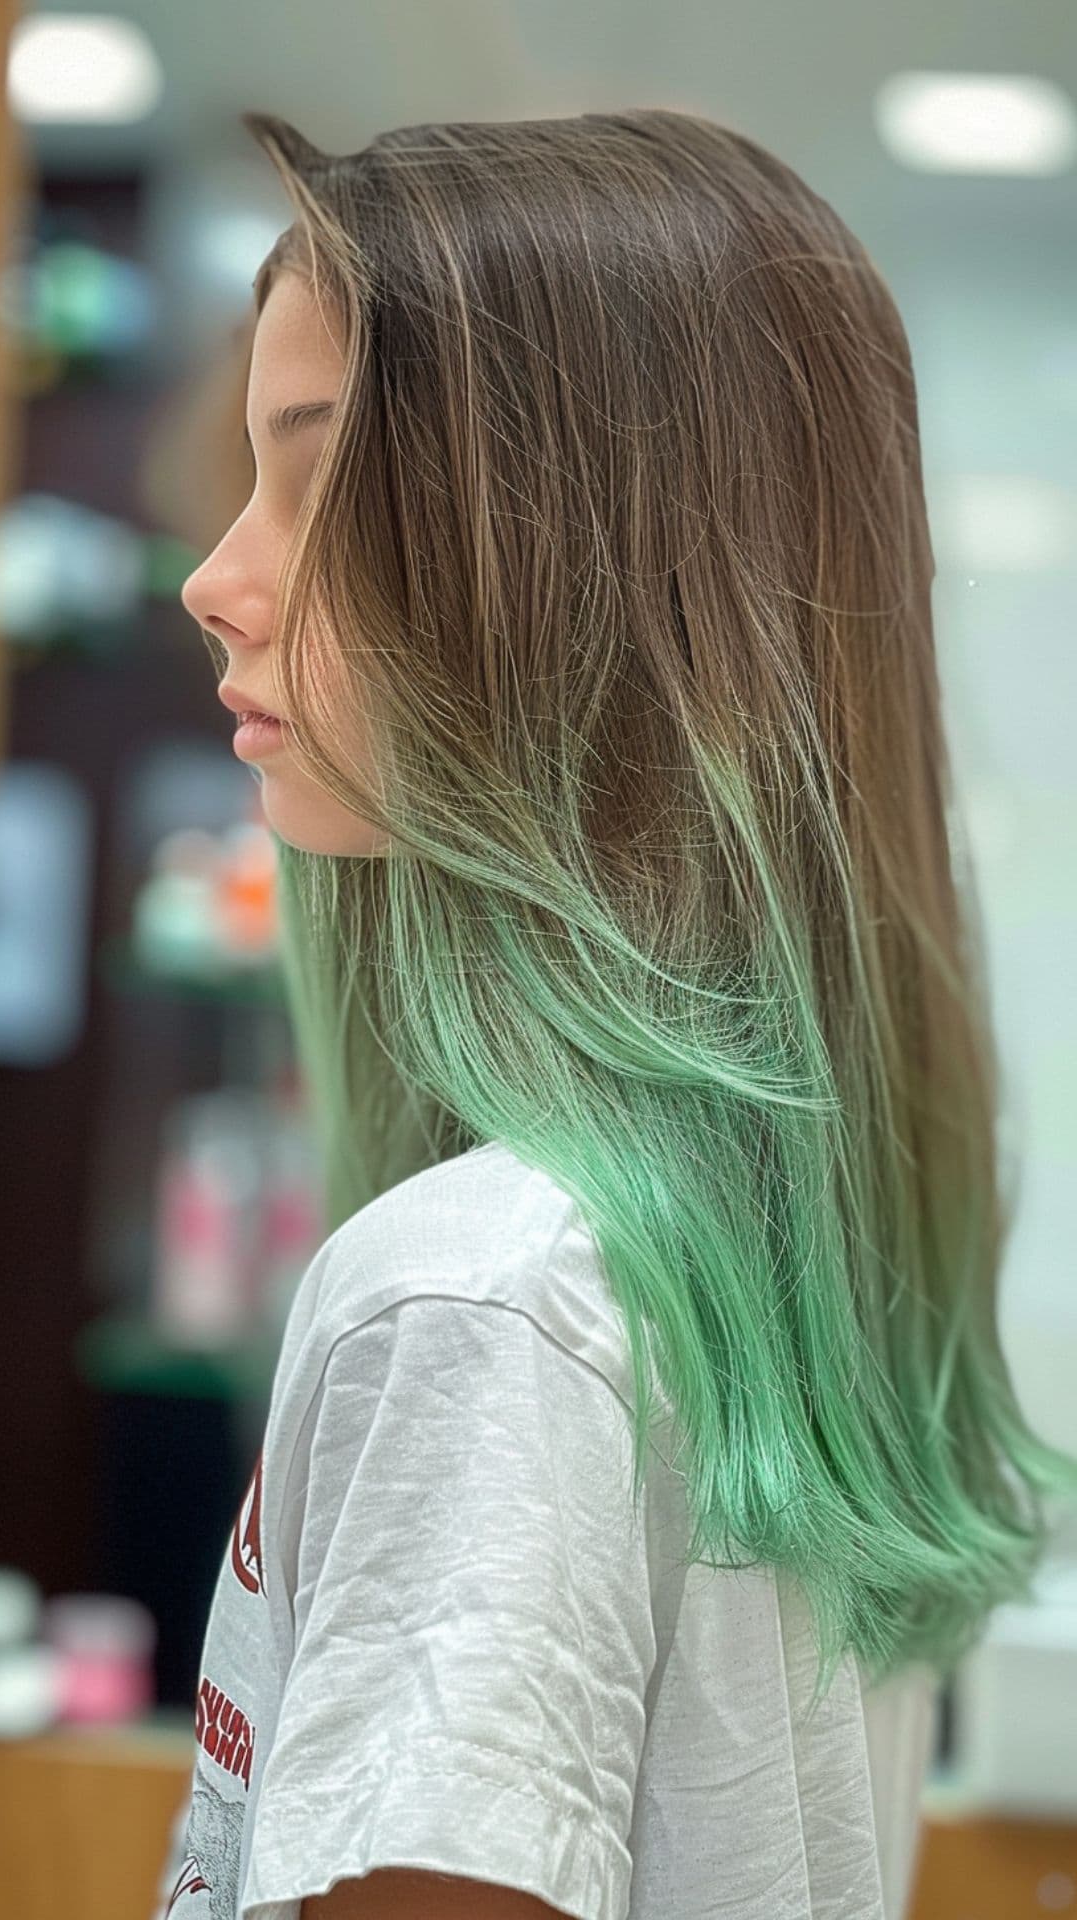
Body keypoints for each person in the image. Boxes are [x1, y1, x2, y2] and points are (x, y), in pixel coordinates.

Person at [153, 107, 1077, 1920]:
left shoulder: (481, 1301)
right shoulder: (751, 1273)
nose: (216, 578)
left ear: (586, 565)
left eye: (317, 480)